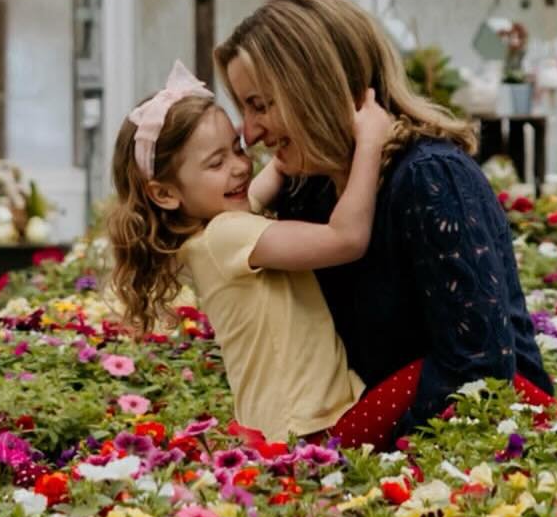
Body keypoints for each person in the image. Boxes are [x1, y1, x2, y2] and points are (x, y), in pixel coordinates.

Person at [216, 0, 550, 433]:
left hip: (488, 452)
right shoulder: (305, 189)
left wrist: (356, 452)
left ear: (317, 88)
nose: (250, 133)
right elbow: (221, 237)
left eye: (260, 106)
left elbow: (481, 374)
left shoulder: (430, 178)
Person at [106, 60, 420, 447]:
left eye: (237, 148)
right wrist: (370, 141)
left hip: (290, 428)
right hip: (311, 431)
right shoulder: (226, 235)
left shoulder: (211, 228)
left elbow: (263, 183)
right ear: (165, 194)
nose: (239, 166)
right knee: (434, 372)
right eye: (216, 162)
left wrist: (289, 148)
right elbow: (346, 239)